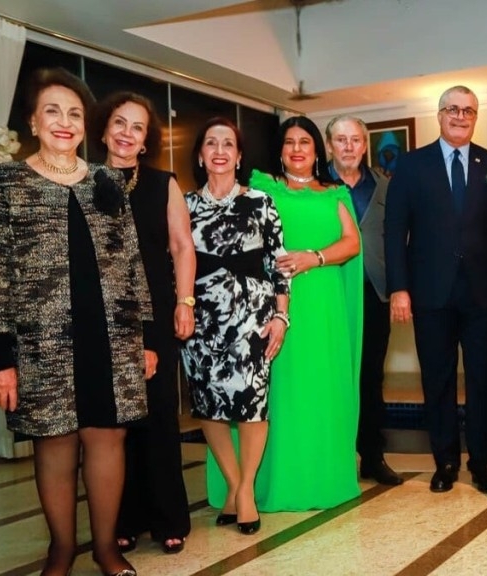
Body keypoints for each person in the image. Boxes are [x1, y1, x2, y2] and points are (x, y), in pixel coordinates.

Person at [0, 67, 150, 576]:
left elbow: (132, 264)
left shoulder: (107, 180)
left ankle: (105, 549)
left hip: (110, 335)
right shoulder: (6, 181)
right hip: (41, 340)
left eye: (75, 113)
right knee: (54, 441)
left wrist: (143, 338)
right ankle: (60, 550)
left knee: (107, 437)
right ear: (33, 121)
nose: (65, 121)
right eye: (53, 110)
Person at [385, 86, 487, 494]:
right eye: (452, 109)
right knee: (436, 380)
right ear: (439, 115)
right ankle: (446, 462)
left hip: (484, 294)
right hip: (429, 293)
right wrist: (399, 289)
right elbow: (393, 231)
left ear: (476, 117)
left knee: (483, 381)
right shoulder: (411, 165)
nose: (460, 116)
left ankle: (483, 462)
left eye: (468, 110)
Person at [95, 91, 194, 554]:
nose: (126, 133)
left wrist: (185, 301)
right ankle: (121, 518)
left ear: (146, 140)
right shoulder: (83, 181)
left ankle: (168, 517)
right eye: (119, 123)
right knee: (113, 422)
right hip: (101, 317)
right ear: (103, 131)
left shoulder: (163, 183)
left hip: (155, 311)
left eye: (137, 127)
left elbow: (182, 247)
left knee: (157, 416)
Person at [250, 116, 364, 510]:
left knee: (322, 388)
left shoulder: (334, 193)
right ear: (279, 150)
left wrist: (313, 257)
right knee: (282, 389)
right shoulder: (262, 187)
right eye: (289, 142)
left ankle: (325, 478)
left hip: (323, 302)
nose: (297, 149)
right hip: (276, 304)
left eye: (305, 142)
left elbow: (351, 243)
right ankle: (276, 480)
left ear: (319, 151)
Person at [182, 117, 290, 535]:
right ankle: (232, 484)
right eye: (212, 142)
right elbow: (176, 259)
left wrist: (281, 316)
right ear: (201, 154)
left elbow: (279, 265)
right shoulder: (185, 204)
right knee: (208, 406)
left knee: (251, 405)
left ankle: (245, 490)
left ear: (240, 156)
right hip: (200, 319)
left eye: (229, 143)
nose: (220, 150)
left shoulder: (261, 202)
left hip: (253, 318)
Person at [325, 115, 403, 485]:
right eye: (341, 140)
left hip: (373, 292)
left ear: (364, 144)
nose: (349, 147)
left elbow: (396, 240)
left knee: (371, 378)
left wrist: (399, 287)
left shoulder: (385, 185)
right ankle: (334, 457)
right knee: (330, 378)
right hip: (328, 292)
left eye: (355, 140)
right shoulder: (316, 187)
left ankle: (372, 456)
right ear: (329, 146)